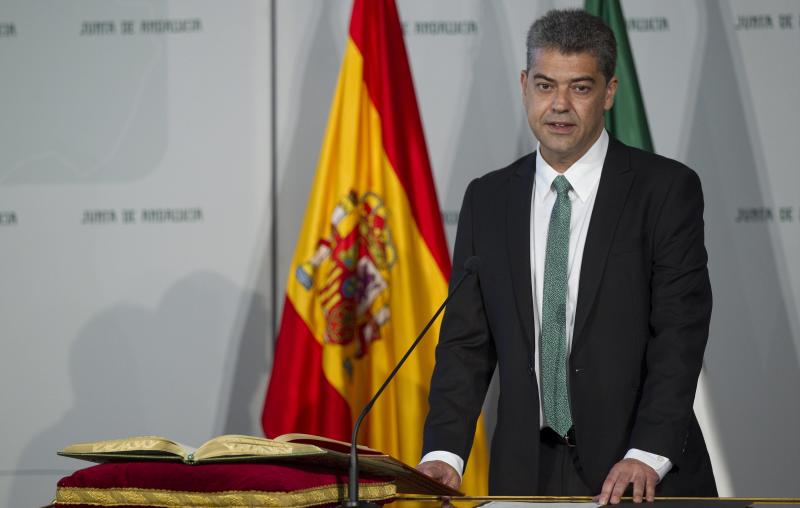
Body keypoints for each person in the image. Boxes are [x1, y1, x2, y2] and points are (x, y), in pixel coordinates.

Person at [417, 9, 716, 504]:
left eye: (579, 88)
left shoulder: (664, 189)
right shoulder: (487, 199)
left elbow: (680, 333)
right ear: (523, 86)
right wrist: (445, 454)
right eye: (544, 85)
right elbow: (465, 344)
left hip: (638, 473)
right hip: (523, 472)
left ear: (609, 92)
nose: (559, 105)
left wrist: (648, 452)